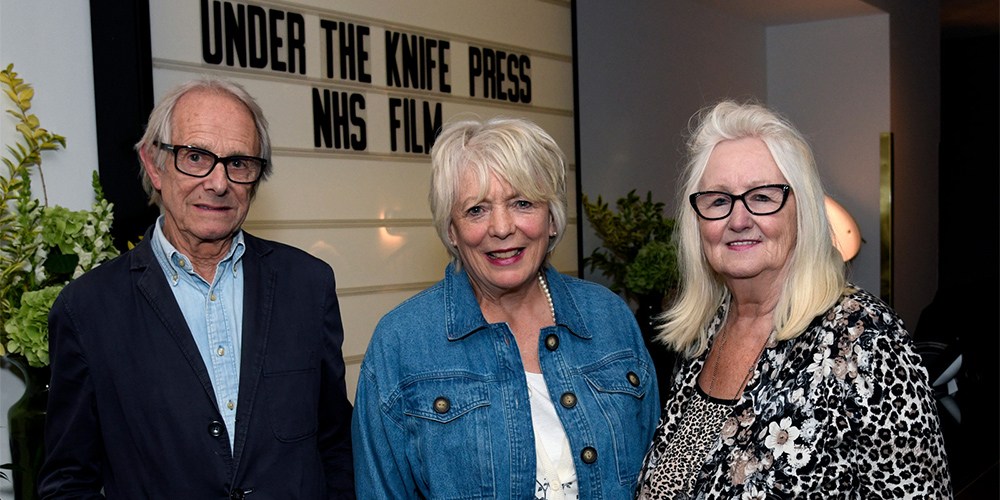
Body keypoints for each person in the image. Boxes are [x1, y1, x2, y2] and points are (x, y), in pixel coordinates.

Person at [39, 77, 355, 498]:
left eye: (239, 162)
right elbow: (67, 482)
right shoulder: (89, 309)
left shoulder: (307, 285)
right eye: (195, 156)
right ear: (154, 164)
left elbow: (335, 446)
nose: (219, 182)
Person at [635, 100, 952, 498]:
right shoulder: (702, 335)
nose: (737, 219)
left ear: (801, 210)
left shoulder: (864, 337)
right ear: (697, 222)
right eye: (718, 200)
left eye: (763, 197)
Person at [352, 116, 661, 498]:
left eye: (522, 202)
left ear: (551, 218)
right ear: (451, 229)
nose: (501, 227)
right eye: (476, 209)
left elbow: (657, 479)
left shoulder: (608, 318)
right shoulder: (401, 343)